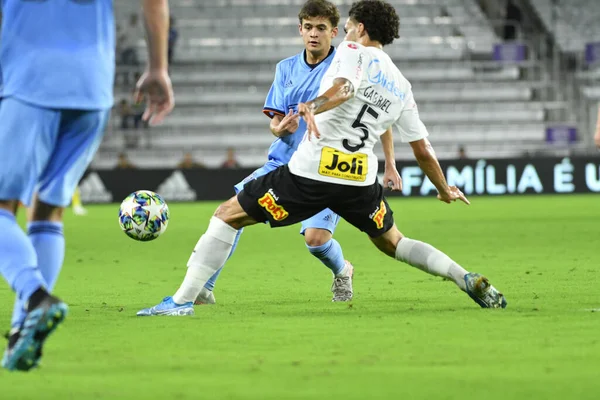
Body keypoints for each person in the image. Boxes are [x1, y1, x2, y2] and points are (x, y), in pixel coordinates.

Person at [137, 0, 505, 318]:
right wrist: (443, 189)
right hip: (359, 181)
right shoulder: (401, 84)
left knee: (226, 215)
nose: (345, 33)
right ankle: (464, 277)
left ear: (358, 28)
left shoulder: (351, 50)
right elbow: (423, 149)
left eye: (346, 27)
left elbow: (343, 88)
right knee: (394, 241)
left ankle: (182, 301)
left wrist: (311, 106)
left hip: (311, 173)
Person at [0, 0, 174, 371]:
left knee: (3, 206)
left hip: (31, 81)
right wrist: (158, 67)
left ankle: (34, 296)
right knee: (48, 209)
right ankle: (21, 334)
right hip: (93, 90)